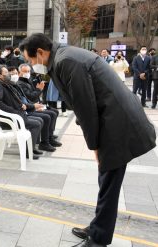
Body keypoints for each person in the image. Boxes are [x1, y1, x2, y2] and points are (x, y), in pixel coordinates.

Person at [19, 33, 156, 247]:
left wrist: (95, 145)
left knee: (109, 183)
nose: (31, 65)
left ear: (40, 52)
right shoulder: (62, 58)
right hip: (113, 120)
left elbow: (86, 108)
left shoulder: (66, 61)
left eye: (30, 60)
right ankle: (97, 227)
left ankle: (98, 240)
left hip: (118, 123)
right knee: (106, 180)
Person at [0, 65, 43, 160]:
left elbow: (15, 98)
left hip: (17, 115)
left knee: (39, 120)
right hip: (9, 120)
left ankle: (32, 147)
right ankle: (29, 152)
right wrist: (14, 111)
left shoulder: (6, 84)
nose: (9, 74)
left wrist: (22, 106)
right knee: (36, 124)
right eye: (6, 73)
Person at [17, 64, 61, 148]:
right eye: (25, 71)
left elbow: (34, 95)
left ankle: (49, 135)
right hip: (30, 107)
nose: (27, 73)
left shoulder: (27, 80)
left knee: (55, 111)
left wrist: (38, 94)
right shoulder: (20, 83)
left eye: (28, 71)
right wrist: (39, 89)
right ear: (20, 72)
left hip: (34, 104)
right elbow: (31, 96)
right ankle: (46, 140)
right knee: (49, 115)